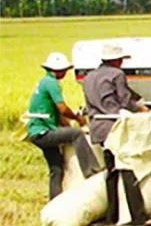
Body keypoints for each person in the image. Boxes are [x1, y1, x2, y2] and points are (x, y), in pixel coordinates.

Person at [82, 42, 150, 225]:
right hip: (115, 127)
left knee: (111, 172)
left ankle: (112, 216)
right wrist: (142, 109)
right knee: (128, 168)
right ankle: (138, 217)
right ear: (117, 60)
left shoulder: (89, 77)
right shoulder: (117, 74)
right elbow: (125, 101)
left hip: (98, 127)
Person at [26, 52, 101, 200]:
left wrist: (68, 126)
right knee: (76, 134)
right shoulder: (52, 83)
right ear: (58, 70)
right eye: (65, 70)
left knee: (56, 167)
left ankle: (55, 201)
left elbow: (58, 115)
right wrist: (78, 120)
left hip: (36, 131)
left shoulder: (44, 81)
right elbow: (62, 108)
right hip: (43, 131)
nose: (66, 73)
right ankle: (91, 170)